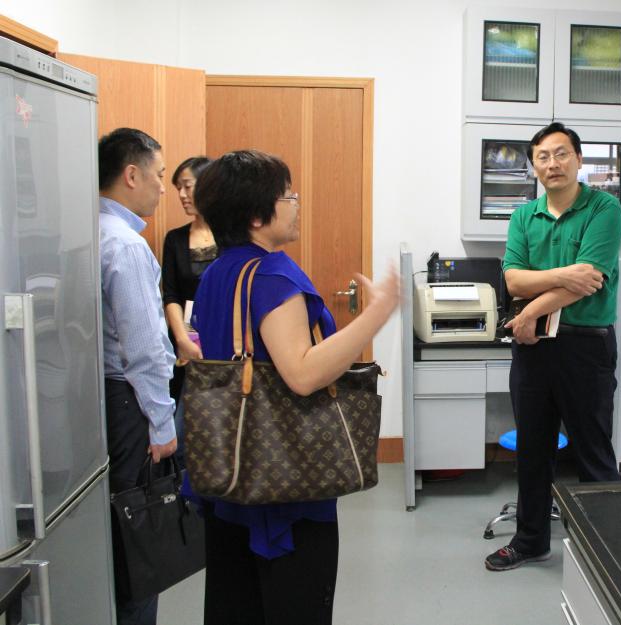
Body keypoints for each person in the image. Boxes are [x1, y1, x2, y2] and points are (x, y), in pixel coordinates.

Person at [190, 150, 399, 624]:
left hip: (231, 470)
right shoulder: (272, 273)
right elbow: (302, 375)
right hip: (284, 479)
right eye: (288, 195)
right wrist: (376, 315)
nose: (297, 203)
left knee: (236, 606)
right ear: (257, 215)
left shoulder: (218, 272)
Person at [486, 122, 621, 572]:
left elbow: (592, 280)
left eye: (562, 154)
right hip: (533, 348)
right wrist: (565, 275)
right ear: (533, 167)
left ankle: (605, 550)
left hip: (585, 346)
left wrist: (529, 309)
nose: (552, 164)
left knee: (592, 450)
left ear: (579, 159)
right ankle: (530, 542)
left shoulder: (604, 208)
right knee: (533, 450)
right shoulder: (524, 216)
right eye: (542, 157)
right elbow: (513, 279)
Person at [97, 127, 178, 625]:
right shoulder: (126, 246)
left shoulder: (89, 230)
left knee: (113, 540)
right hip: (131, 405)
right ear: (132, 174)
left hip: (102, 399)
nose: (164, 188)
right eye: (160, 175)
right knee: (139, 544)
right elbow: (145, 350)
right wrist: (163, 425)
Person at [161, 156, 214, 462]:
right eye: (177, 188)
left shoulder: (233, 236)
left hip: (228, 344)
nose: (181, 194)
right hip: (188, 346)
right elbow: (171, 295)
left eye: (187, 186)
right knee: (181, 433)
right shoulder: (175, 239)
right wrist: (182, 339)